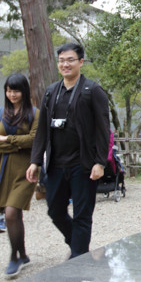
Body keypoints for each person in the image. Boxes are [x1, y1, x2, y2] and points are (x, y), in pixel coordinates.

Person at [26, 43, 110, 259]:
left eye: (70, 60)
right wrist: (35, 160)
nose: (65, 64)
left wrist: (100, 162)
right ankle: (78, 247)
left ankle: (77, 257)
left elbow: (103, 130)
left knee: (82, 215)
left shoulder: (93, 91)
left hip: (83, 165)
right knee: (54, 210)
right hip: (55, 164)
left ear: (81, 62)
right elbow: (43, 129)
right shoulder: (51, 92)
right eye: (62, 60)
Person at [0, 74, 39, 277]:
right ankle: (23, 254)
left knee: (11, 213)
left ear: (24, 91)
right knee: (14, 215)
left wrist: (7, 139)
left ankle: (14, 257)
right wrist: (16, 141)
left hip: (27, 169)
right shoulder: (1, 113)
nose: (12, 94)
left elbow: (33, 140)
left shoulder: (34, 113)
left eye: (16, 90)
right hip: (4, 167)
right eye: (8, 90)